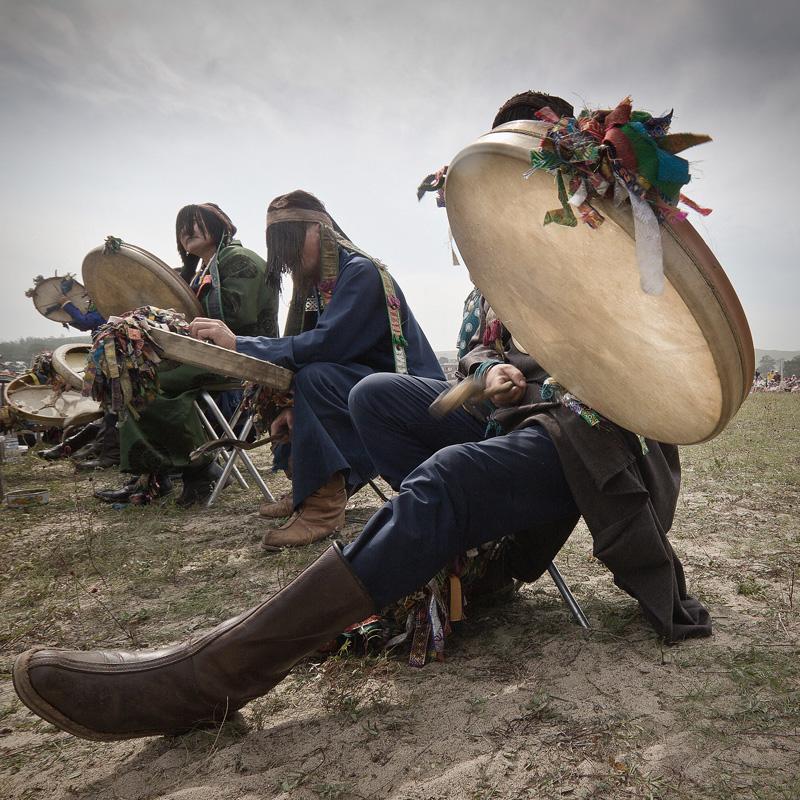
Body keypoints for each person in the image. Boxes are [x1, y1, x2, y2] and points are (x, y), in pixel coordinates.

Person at [10, 95, 711, 742]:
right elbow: (473, 349)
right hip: (507, 421)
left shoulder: (616, 256)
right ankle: (452, 549)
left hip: (582, 434)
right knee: (374, 397)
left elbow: (649, 359)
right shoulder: (499, 277)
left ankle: (219, 672)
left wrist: (527, 372)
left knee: (448, 474)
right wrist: (486, 370)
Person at [189, 190, 444, 547]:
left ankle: (323, 507)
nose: (290, 260)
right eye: (283, 251)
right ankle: (308, 491)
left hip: (414, 396)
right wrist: (294, 406)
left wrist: (241, 343)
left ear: (321, 231)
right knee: (298, 384)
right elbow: (315, 349)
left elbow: (326, 345)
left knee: (315, 376)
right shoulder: (319, 287)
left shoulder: (361, 272)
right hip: (367, 387)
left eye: (293, 245)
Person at [95, 203, 279, 506]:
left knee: (147, 380)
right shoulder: (206, 269)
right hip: (210, 355)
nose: (186, 231)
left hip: (245, 354)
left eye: (196, 223)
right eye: (181, 227)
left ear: (221, 226)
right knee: (132, 375)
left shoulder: (239, 260)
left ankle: (200, 467)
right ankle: (153, 476)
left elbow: (237, 319)